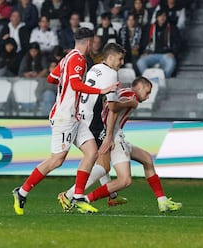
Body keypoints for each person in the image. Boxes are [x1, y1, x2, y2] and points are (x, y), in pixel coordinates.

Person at [12, 27, 118, 215]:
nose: (94, 45)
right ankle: (22, 192)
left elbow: (52, 78)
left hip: (74, 116)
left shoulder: (67, 57)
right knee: (56, 160)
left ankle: (77, 196)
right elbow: (75, 84)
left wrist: (64, 86)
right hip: (65, 117)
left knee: (92, 152)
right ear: (89, 42)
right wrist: (100, 91)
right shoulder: (78, 58)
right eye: (93, 42)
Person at [76, 76, 182, 213]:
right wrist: (109, 137)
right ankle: (85, 199)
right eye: (148, 91)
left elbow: (108, 104)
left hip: (114, 135)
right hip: (114, 138)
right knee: (124, 180)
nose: (148, 96)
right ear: (141, 87)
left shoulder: (124, 92)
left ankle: (162, 201)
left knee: (147, 159)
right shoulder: (130, 96)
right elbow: (112, 108)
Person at [57, 43, 129, 210]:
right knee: (103, 165)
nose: (122, 62)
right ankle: (69, 195)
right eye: (120, 58)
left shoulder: (95, 68)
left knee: (101, 159)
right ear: (110, 58)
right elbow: (112, 107)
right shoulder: (111, 74)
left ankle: (112, 195)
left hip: (82, 115)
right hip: (92, 121)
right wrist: (109, 134)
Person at [137, 9, 182, 78]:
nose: (162, 18)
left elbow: (178, 43)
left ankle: (162, 79)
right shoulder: (149, 28)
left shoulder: (172, 28)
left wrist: (173, 52)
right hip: (151, 54)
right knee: (140, 62)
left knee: (171, 63)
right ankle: (148, 79)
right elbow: (143, 41)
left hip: (165, 55)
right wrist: (143, 52)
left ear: (166, 17)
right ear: (157, 17)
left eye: (164, 16)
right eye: (160, 16)